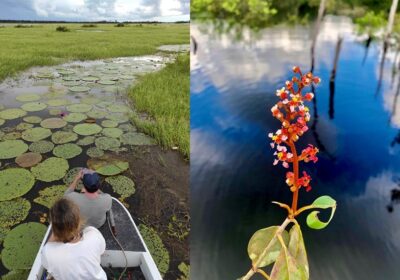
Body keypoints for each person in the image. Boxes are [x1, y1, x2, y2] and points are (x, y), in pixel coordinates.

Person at [41, 198, 107, 280]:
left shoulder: (48, 252)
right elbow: (102, 251)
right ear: (78, 220)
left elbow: (46, 265)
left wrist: (57, 231)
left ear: (54, 227)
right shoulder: (93, 234)